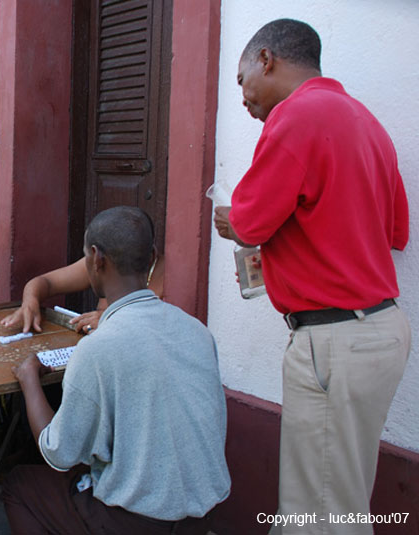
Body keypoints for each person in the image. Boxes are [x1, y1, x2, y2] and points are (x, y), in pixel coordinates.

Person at [213, 19, 410, 535]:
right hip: (379, 332)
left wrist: (227, 218)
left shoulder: (294, 117)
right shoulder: (368, 124)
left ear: (266, 60)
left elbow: (250, 223)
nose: (243, 98)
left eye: (240, 80)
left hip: (333, 342)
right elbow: (394, 232)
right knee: (336, 494)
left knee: (322, 515)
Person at [2, 206, 230, 534]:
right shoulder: (198, 331)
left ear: (96, 258)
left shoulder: (97, 349)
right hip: (201, 517)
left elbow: (58, 452)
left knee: (19, 484)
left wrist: (28, 379)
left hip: (135, 521)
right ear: (151, 257)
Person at [0, 245, 164, 335]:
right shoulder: (102, 262)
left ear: (152, 254)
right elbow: (45, 282)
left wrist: (112, 320)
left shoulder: (169, 278)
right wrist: (30, 302)